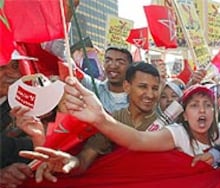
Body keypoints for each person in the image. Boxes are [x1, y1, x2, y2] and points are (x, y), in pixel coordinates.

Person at [20, 82, 220, 183]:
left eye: (207, 105)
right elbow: (137, 140)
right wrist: (101, 118)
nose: (202, 111)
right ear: (184, 114)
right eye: (194, 106)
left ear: (214, 112)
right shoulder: (175, 134)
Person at [16, 62, 162, 180]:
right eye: (143, 87)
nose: (150, 94)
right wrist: (71, 162)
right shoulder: (110, 120)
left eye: (155, 88)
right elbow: (84, 160)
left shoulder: (167, 126)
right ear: (126, 87)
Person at [80, 47, 133, 113]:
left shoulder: (137, 99)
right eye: (108, 61)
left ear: (130, 67)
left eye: (120, 62)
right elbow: (72, 72)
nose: (113, 66)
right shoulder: (93, 87)